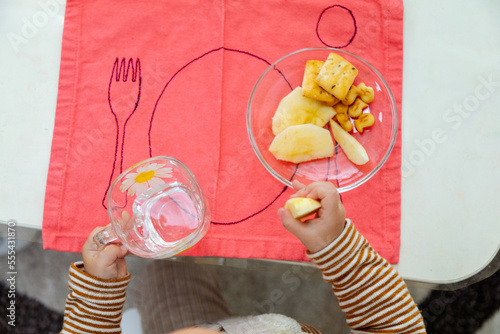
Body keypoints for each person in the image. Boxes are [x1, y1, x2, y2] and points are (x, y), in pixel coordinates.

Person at [60, 181, 427, 333]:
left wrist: (97, 296)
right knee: (176, 265)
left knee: (167, 271)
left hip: (189, 320)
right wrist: (338, 249)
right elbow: (396, 327)